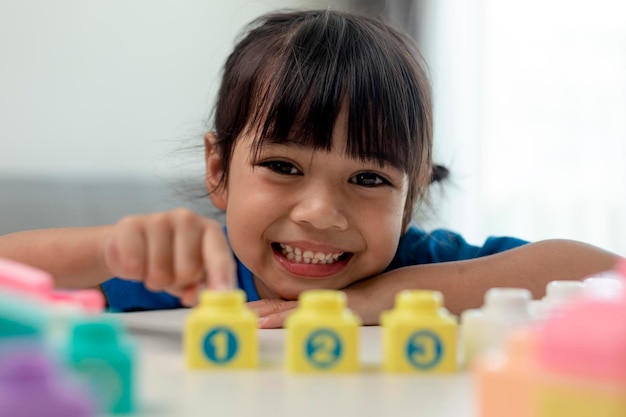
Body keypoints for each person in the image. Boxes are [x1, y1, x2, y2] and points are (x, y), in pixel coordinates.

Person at [0, 9, 620, 328]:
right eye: (281, 165)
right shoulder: (188, 276)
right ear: (220, 166)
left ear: (413, 197)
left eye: (370, 179)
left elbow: (604, 273)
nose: (320, 212)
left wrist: (385, 298)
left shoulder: (422, 270)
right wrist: (111, 249)